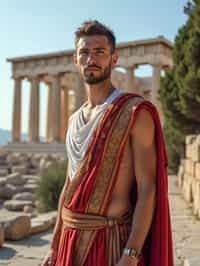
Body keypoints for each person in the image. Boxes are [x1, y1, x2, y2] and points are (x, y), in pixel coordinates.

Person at [41, 20, 174, 266]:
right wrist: (53, 245)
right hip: (68, 242)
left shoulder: (135, 112)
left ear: (114, 59)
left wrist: (131, 254)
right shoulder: (73, 119)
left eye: (99, 52)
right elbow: (70, 184)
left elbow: (148, 187)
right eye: (84, 52)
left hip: (109, 242)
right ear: (75, 60)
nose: (91, 58)